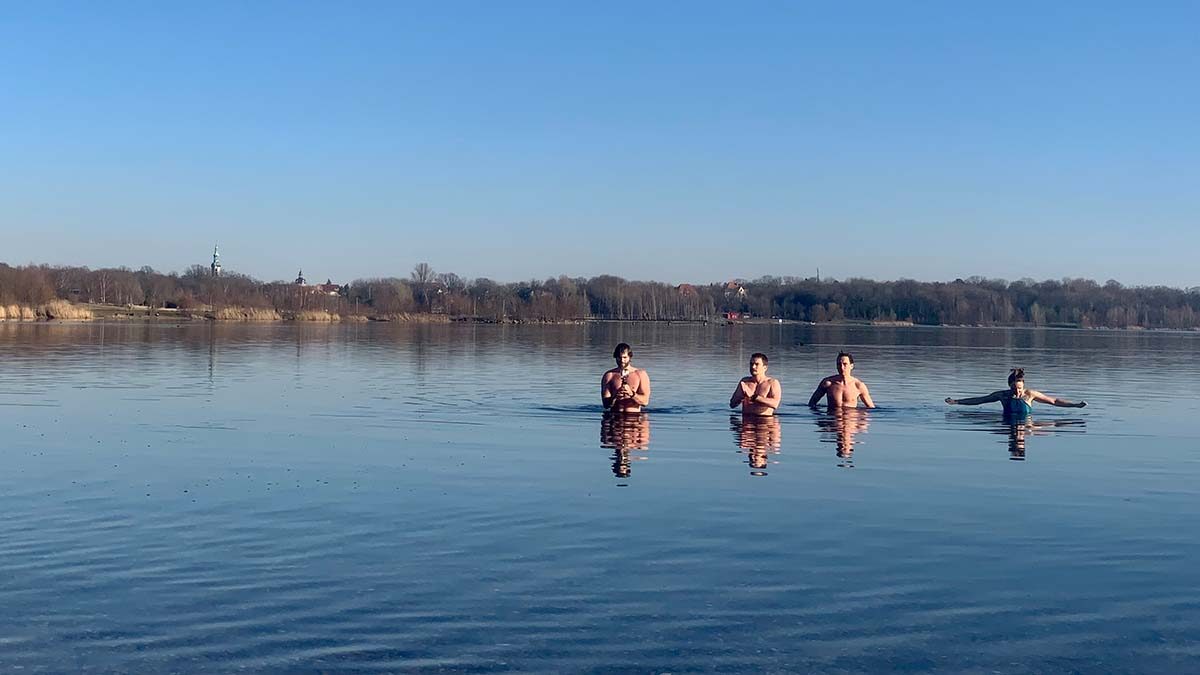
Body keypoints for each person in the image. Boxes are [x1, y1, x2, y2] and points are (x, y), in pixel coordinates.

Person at [945, 368, 1086, 414]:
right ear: (1009, 386)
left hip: (1026, 421)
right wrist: (956, 401)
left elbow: (1054, 401)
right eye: (1014, 388)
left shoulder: (1030, 395)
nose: (1017, 392)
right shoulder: (1002, 395)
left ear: (1023, 386)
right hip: (1007, 422)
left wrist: (1075, 405)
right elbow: (980, 400)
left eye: (1019, 388)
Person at [808, 351, 875, 409]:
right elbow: (811, 404)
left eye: (845, 364)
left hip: (851, 421)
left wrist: (860, 422)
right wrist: (823, 420)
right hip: (832, 420)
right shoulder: (828, 383)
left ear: (851, 366)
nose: (842, 367)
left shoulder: (858, 386)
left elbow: (871, 408)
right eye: (839, 364)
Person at [601, 343, 651, 413]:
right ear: (615, 357)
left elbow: (645, 402)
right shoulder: (609, 376)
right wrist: (615, 397)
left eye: (624, 357)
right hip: (615, 418)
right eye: (619, 357)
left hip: (635, 418)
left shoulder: (640, 374)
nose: (622, 360)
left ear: (630, 357)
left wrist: (631, 394)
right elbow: (606, 405)